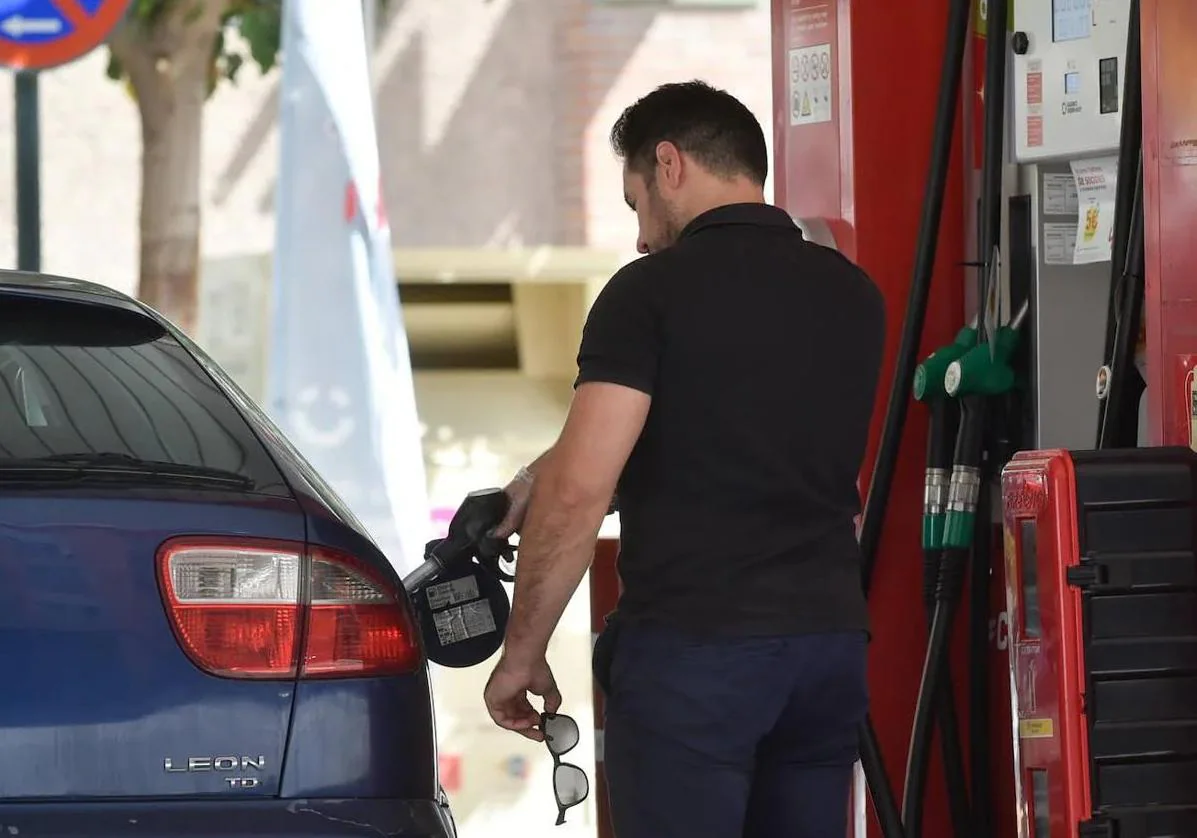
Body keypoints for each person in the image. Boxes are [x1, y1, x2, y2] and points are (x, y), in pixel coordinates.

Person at [482, 80, 886, 838]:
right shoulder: (851, 294)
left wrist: (521, 654)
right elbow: (714, 416)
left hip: (699, 661)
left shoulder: (649, 294)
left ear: (668, 164)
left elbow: (582, 489)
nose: (638, 234)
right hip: (825, 653)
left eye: (635, 202)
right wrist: (527, 483)